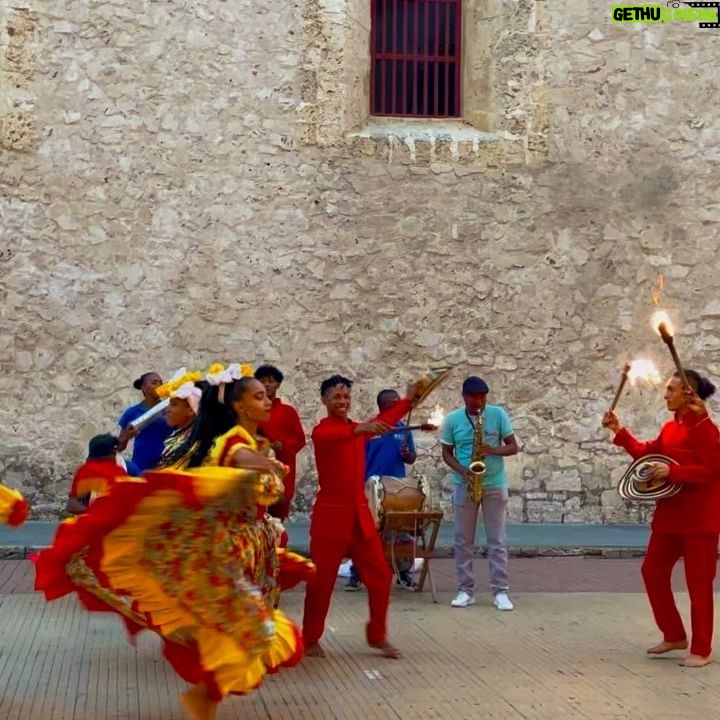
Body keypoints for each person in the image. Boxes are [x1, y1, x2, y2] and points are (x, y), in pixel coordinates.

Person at [602, 369, 720, 668]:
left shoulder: (705, 428)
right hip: (670, 515)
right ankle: (674, 635)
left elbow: (713, 470)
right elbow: (646, 455)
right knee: (652, 571)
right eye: (666, 388)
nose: (665, 395)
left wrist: (674, 472)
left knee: (699, 583)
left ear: (688, 394)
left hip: (700, 519)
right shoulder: (670, 428)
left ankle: (702, 649)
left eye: (671, 390)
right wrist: (619, 431)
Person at [302, 374, 422, 659]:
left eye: (346, 397)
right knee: (321, 582)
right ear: (324, 400)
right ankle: (310, 638)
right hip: (331, 519)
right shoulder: (323, 431)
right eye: (336, 397)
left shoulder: (357, 430)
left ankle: (377, 636)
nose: (342, 401)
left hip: (359, 517)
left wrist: (408, 399)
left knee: (381, 576)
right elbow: (337, 435)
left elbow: (386, 420)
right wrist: (361, 429)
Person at [440, 376, 519, 611]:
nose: (479, 402)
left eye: (483, 398)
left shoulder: (497, 414)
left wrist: (491, 450)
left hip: (494, 483)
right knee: (463, 540)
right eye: (474, 398)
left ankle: (501, 591)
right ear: (464, 397)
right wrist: (462, 470)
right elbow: (446, 453)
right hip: (465, 484)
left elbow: (513, 446)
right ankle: (465, 590)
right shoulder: (453, 419)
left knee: (497, 540)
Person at [346, 388, 417, 591]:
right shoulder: (370, 429)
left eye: (398, 402)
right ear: (381, 406)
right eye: (392, 403)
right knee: (366, 533)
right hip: (371, 486)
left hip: (396, 487)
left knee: (401, 531)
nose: (397, 406)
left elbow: (411, 458)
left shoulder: (404, 428)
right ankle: (357, 574)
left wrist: (407, 454)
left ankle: (403, 573)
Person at [254, 364, 307, 520]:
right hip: (257, 466)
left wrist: (283, 444)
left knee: (278, 512)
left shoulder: (288, 412)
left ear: (278, 384)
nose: (267, 385)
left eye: (271, 381)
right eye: (263, 381)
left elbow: (299, 439)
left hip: (283, 467)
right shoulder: (252, 410)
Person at [117, 371, 172, 473]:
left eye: (161, 383)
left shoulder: (170, 410)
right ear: (143, 388)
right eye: (154, 383)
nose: (159, 385)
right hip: (140, 467)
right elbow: (119, 447)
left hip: (166, 466)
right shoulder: (132, 412)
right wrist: (127, 436)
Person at [66, 434, 132, 515]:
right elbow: (72, 506)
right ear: (113, 452)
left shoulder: (85, 470)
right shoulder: (119, 471)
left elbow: (71, 505)